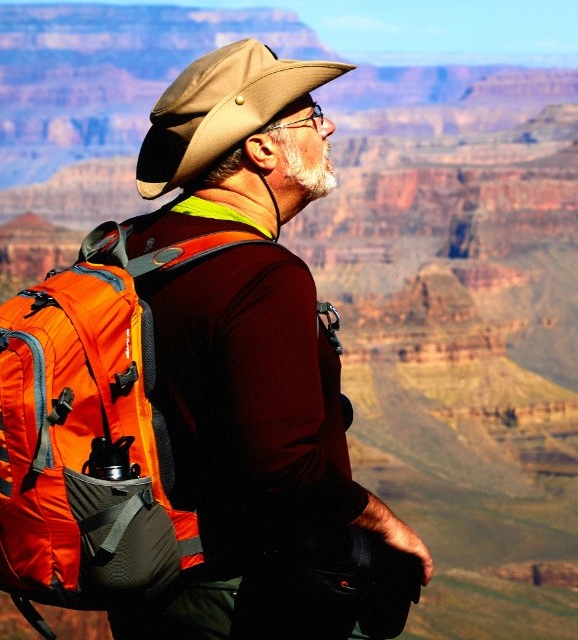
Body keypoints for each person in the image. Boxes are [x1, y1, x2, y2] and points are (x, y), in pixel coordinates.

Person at [107, 38, 433, 639]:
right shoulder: (263, 275)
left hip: (154, 589)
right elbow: (282, 467)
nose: (329, 126)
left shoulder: (131, 247)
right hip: (249, 597)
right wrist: (383, 523)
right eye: (312, 115)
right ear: (261, 149)